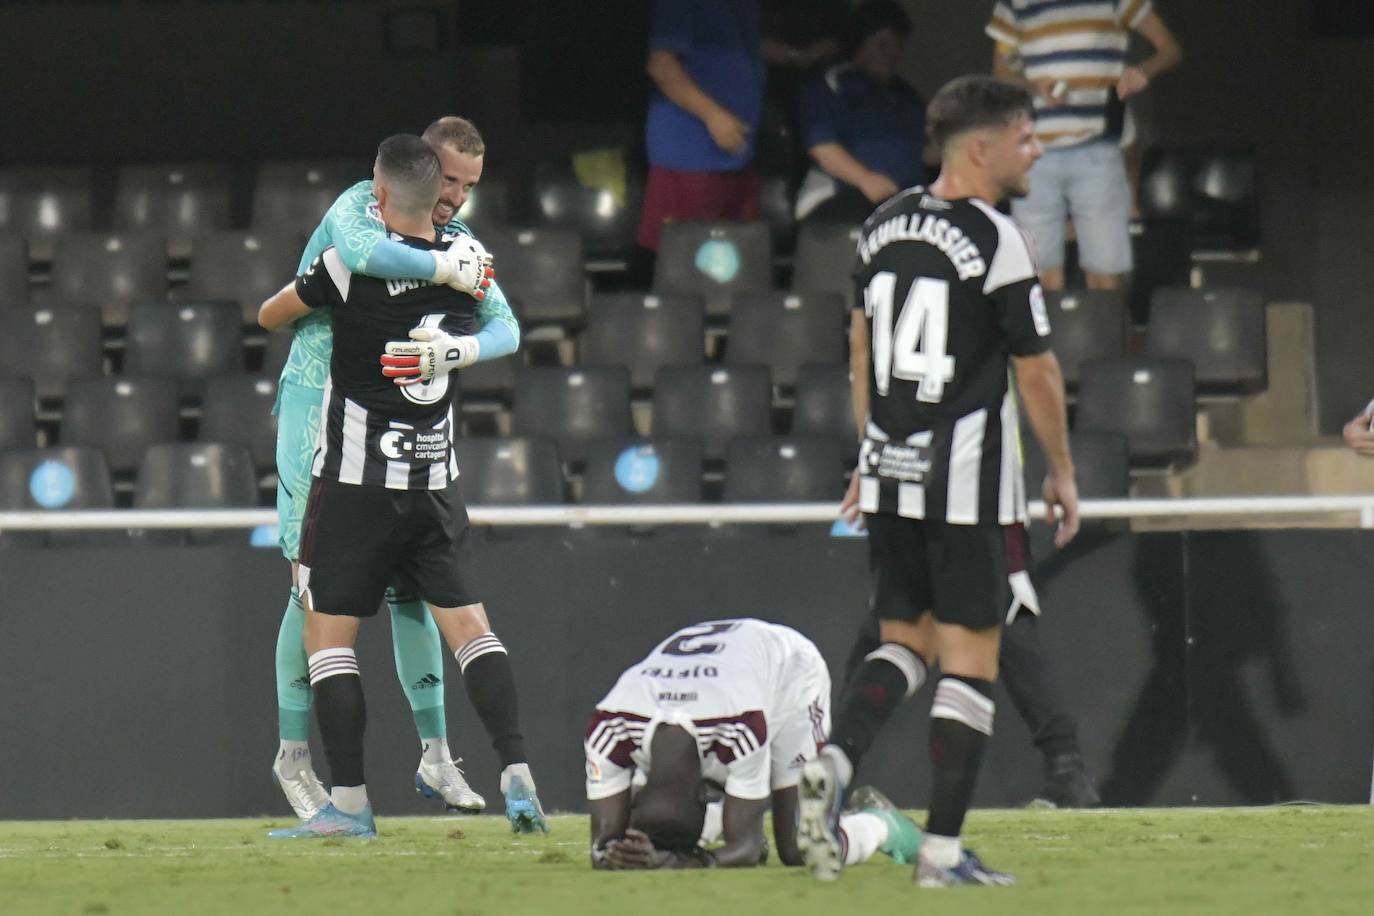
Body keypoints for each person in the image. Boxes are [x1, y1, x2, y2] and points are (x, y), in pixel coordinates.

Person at [797, 75, 1080, 887]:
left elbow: (859, 354)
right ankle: (943, 857)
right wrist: (1060, 469)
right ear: (983, 148)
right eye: (1027, 138)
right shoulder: (996, 237)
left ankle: (838, 765)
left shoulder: (880, 225)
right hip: (964, 484)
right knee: (972, 660)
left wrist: (866, 453)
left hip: (888, 473)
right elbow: (1037, 373)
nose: (1037, 150)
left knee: (903, 644)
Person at [260, 134, 546, 839]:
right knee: (469, 628)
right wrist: (459, 330)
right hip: (432, 480)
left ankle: (352, 797)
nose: (457, 196)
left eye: (469, 185)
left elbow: (276, 310)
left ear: (386, 191)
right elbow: (507, 325)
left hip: (356, 475)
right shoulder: (464, 262)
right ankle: (514, 774)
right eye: (450, 180)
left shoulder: (357, 260)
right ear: (426, 174)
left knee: (325, 625)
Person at [586, 618, 922, 871]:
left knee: (800, 847)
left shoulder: (739, 726)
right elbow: (600, 845)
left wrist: (673, 863)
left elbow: (745, 848)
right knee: (720, 809)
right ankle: (721, 820)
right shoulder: (608, 723)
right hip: (723, 681)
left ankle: (882, 825)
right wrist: (613, 853)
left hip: (791, 676)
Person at [986, 0, 1181, 291]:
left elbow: (1170, 50)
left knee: (1106, 274)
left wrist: (1142, 71)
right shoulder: (1015, 4)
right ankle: (1050, 338)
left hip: (1098, 147)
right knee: (1039, 278)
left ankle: (1108, 335)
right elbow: (1001, 72)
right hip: (1034, 153)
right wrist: (1034, 85)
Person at [636, 0, 767, 256]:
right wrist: (713, 115)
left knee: (739, 266)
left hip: (738, 153)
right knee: (687, 263)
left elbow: (733, 48)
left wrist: (796, 55)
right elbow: (661, 64)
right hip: (691, 154)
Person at [794, 0, 927, 225]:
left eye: (898, 45)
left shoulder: (906, 96)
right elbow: (823, 148)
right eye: (882, 45)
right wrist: (865, 179)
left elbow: (924, 148)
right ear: (859, 45)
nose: (892, 53)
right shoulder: (832, 86)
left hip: (902, 203)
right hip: (839, 200)